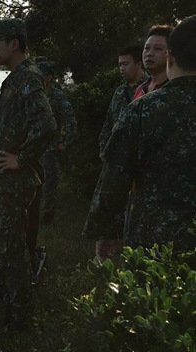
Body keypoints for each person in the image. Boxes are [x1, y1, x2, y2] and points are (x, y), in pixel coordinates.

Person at [83, 15, 196, 262]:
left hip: (154, 239)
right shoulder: (137, 100)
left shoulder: (144, 109)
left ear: (171, 57)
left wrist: (105, 231)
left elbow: (113, 180)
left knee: (154, 298)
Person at [0, 19, 56, 325]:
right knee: (7, 249)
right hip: (5, 182)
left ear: (14, 44)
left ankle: (19, 317)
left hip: (14, 180)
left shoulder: (28, 78)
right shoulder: (13, 79)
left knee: (10, 251)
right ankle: (15, 309)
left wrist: (21, 159)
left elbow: (47, 125)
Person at [36, 59, 79, 225]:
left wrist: (64, 142)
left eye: (40, 74)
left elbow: (71, 121)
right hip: (32, 146)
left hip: (51, 148)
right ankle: (32, 214)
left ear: (48, 77)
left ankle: (47, 216)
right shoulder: (34, 93)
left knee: (50, 183)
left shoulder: (57, 96)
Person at [98, 45, 147, 158]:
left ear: (139, 64)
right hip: (117, 156)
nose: (122, 68)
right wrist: (103, 148)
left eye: (126, 64)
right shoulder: (120, 91)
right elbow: (108, 122)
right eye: (120, 65)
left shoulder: (150, 88)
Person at [132, 25, 172, 100]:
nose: (149, 53)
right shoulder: (140, 89)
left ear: (170, 53)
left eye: (157, 49)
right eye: (146, 48)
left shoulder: (175, 90)